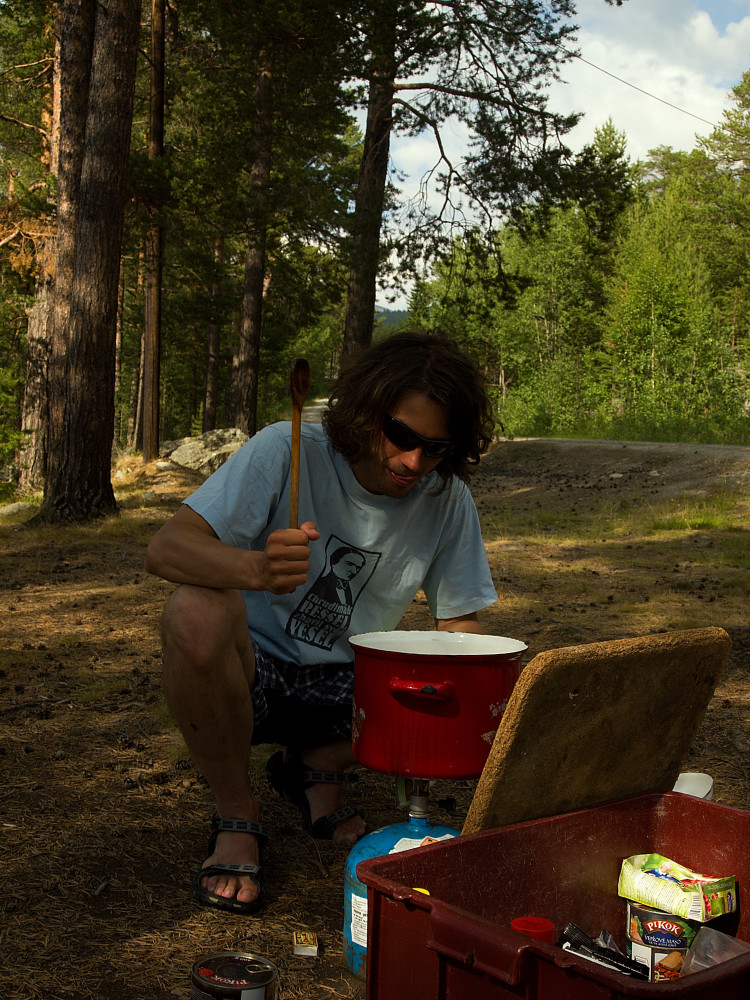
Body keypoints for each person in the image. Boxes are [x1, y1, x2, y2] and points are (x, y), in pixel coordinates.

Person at [144, 330, 498, 914]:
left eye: (436, 447)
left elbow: (460, 624)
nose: (415, 462)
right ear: (365, 411)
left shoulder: (446, 497)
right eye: (402, 436)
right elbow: (166, 548)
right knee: (194, 608)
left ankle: (315, 766)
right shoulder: (285, 449)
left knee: (441, 678)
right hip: (250, 674)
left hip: (348, 688)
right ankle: (237, 814)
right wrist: (255, 569)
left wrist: (482, 693)